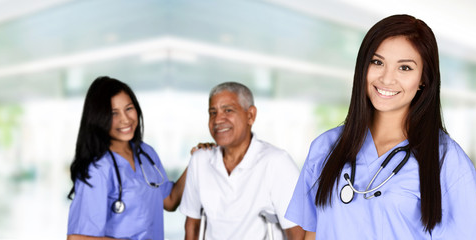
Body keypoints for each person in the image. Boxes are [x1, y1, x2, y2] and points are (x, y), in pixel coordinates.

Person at [285, 14, 476, 239]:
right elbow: (311, 232)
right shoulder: (326, 147)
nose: (387, 79)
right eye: (377, 62)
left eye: (405, 68)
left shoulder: (447, 162)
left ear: (423, 78)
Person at [179, 82, 305, 239]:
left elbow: (298, 234)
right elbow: (192, 224)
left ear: (250, 115)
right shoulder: (200, 160)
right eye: (212, 112)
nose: (218, 120)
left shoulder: (277, 162)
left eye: (228, 110)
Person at [66, 76, 187, 240]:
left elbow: (170, 201)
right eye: (114, 113)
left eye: (129, 109)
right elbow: (77, 238)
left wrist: (197, 162)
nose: (125, 119)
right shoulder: (98, 168)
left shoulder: (146, 153)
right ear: (98, 118)